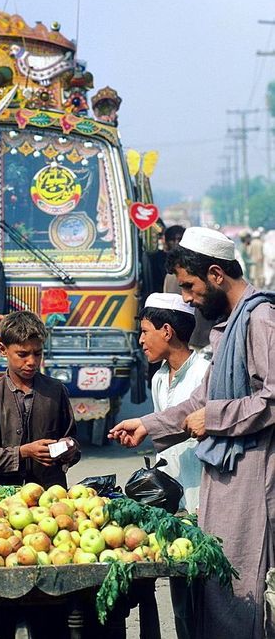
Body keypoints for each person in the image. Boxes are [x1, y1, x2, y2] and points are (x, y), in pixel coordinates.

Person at [108, 226, 274, 639]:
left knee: (241, 588)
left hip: (253, 477)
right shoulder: (229, 325)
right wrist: (147, 424)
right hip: (225, 478)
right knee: (216, 584)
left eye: (189, 286)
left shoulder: (261, 319)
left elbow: (271, 400)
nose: (185, 298)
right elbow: (202, 398)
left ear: (216, 275)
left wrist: (215, 418)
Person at [140, 292, 210, 639]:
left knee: (208, 594)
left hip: (203, 498)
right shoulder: (157, 379)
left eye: (145, 331)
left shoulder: (204, 372)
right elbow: (164, 439)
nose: (140, 340)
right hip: (172, 505)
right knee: (181, 599)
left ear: (167, 331)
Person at [0, 310, 80, 489]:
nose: (31, 361)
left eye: (37, 353)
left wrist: (69, 449)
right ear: (3, 350)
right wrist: (24, 452)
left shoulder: (56, 391)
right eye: (22, 355)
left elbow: (72, 442)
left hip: (49, 494)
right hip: (1, 497)